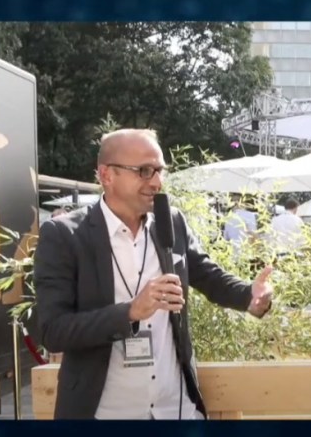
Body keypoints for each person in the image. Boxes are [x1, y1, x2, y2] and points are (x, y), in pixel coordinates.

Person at [34, 128, 274, 420]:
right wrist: (130, 312)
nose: (157, 182)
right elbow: (53, 331)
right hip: (103, 414)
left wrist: (249, 296)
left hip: (175, 409)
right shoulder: (65, 235)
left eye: (160, 171)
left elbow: (207, 275)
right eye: (144, 171)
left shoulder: (171, 221)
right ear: (107, 175)